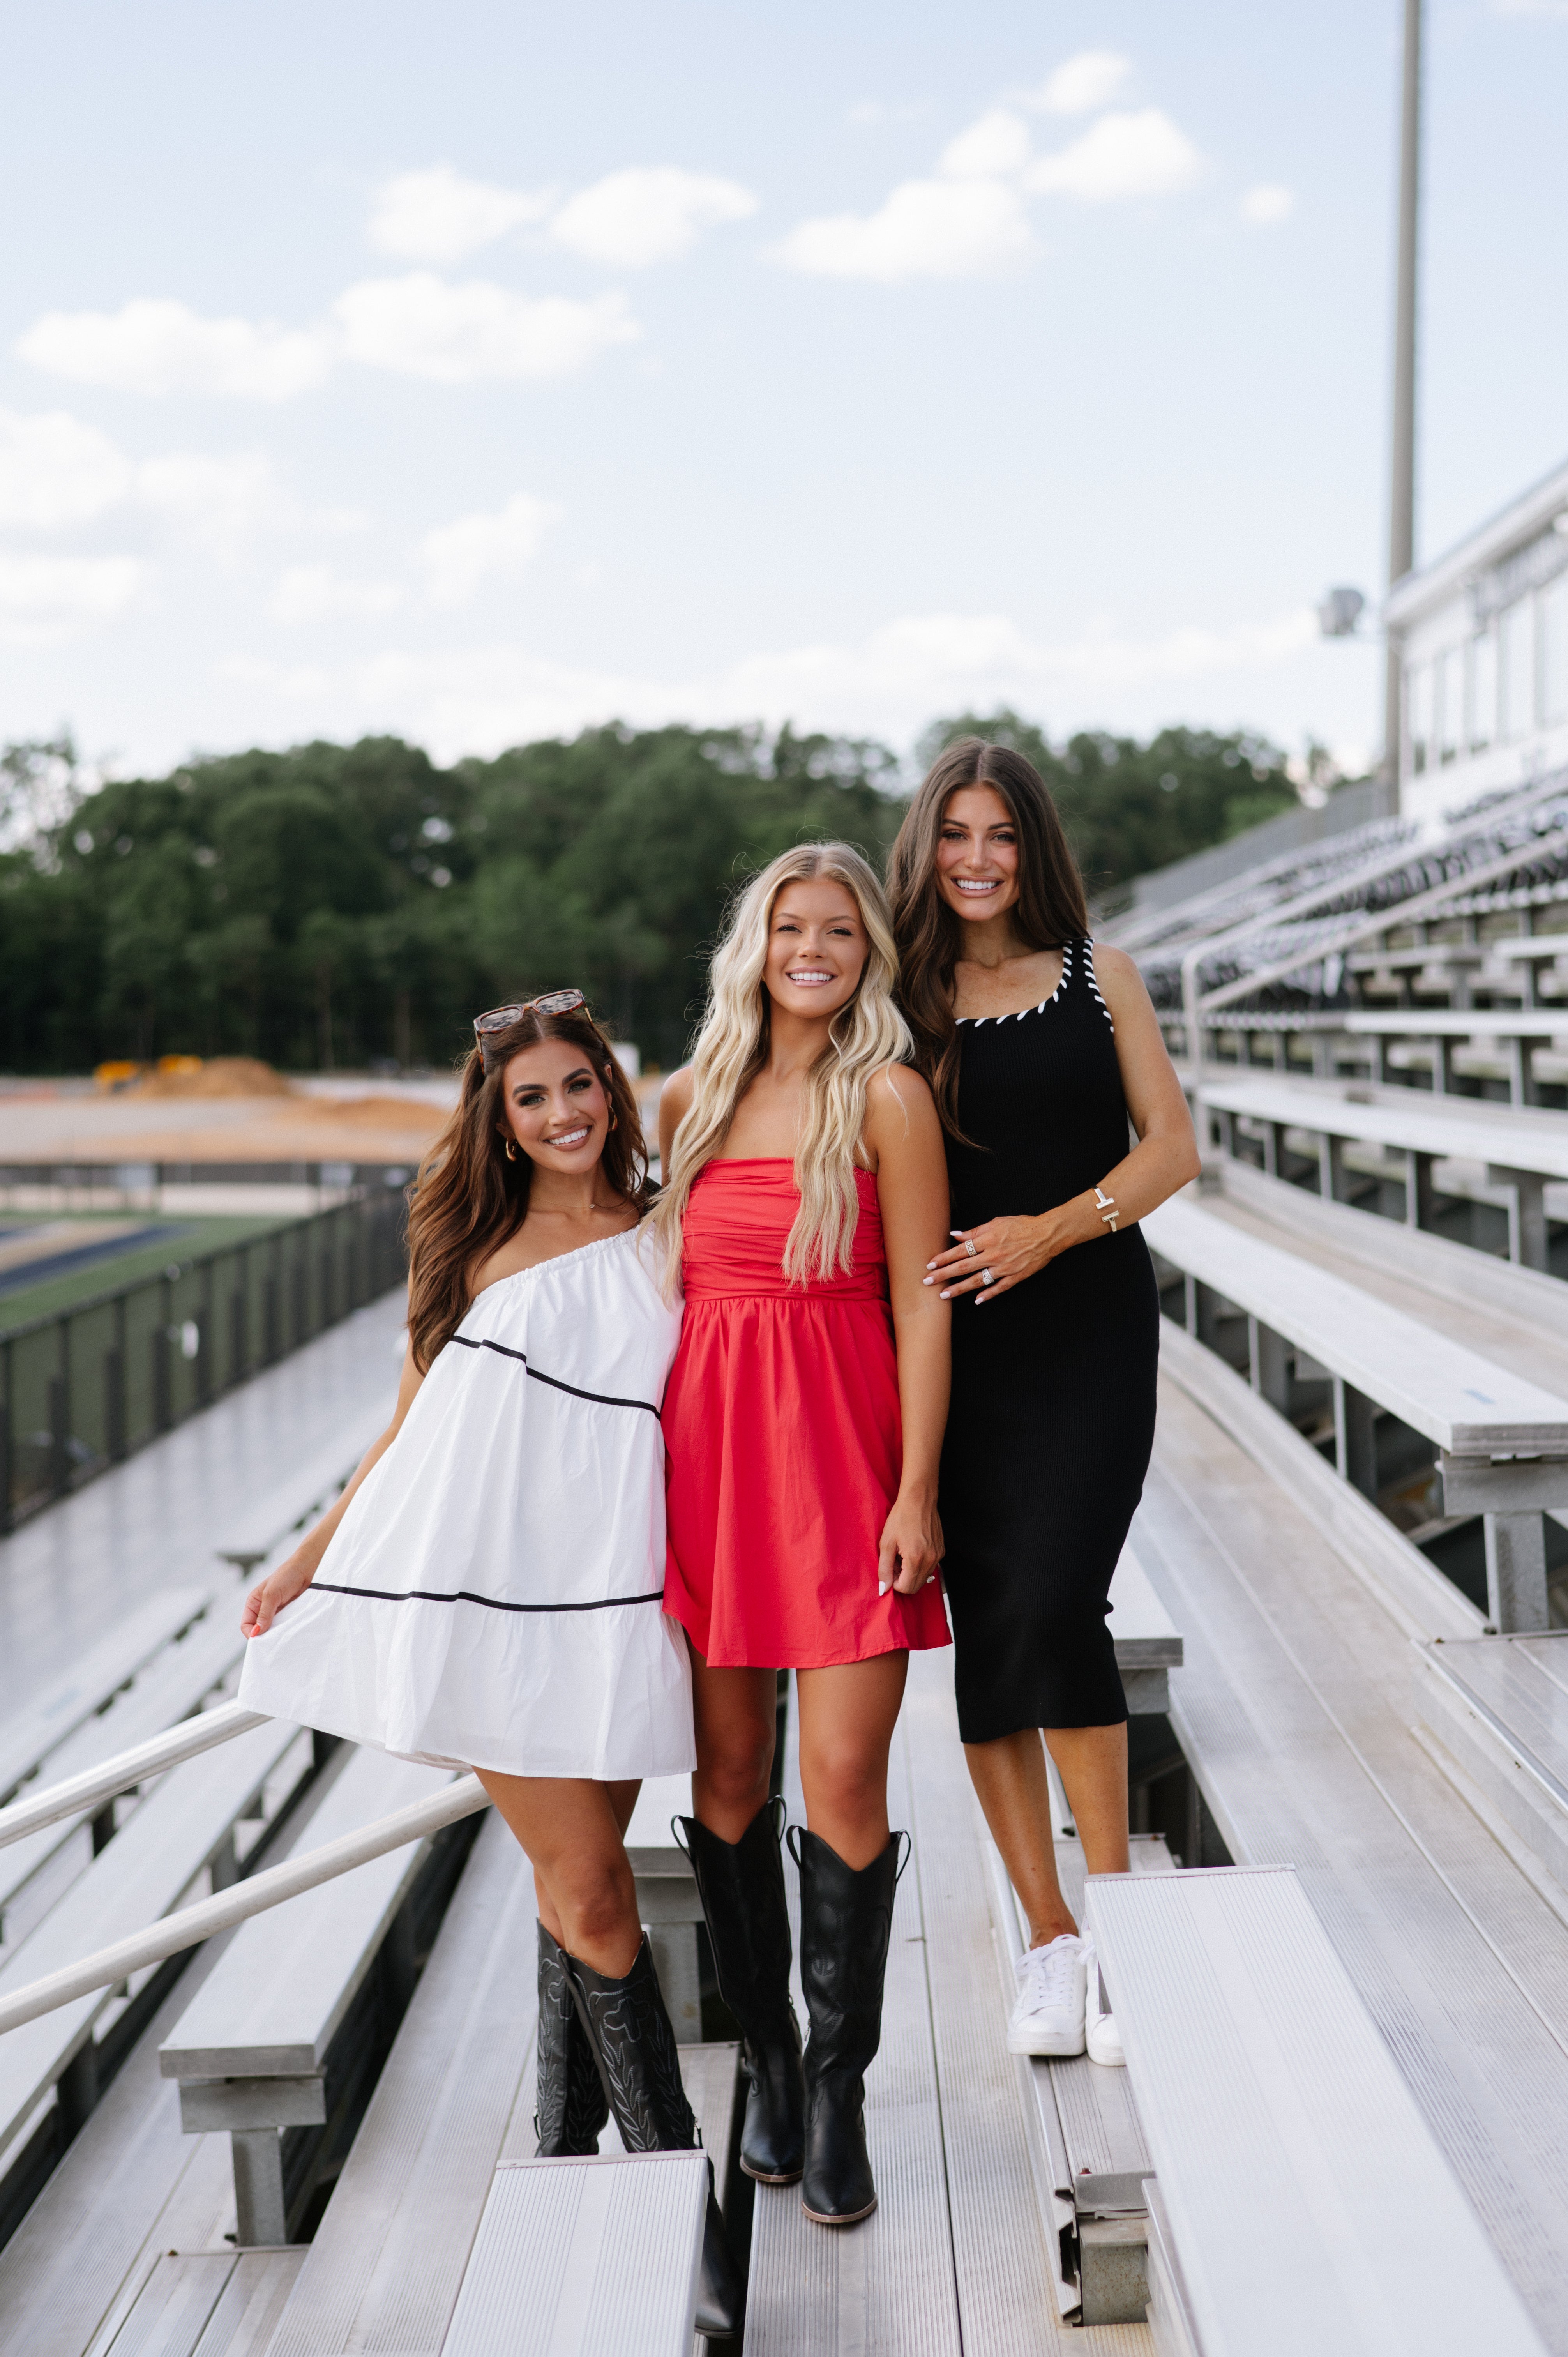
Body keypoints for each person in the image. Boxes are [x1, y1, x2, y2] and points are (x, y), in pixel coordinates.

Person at [236, 991, 742, 2339]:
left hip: (622, 1599)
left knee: (568, 1895)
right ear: (501, 1120)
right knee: (593, 1890)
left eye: (581, 1085)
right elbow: (402, 1430)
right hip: (489, 1603)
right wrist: (303, 1559)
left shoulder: (662, 1231)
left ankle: (565, 2161)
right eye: (535, 1097)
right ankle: (686, 2214)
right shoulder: (470, 1250)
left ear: (611, 1090)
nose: (565, 1111)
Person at [652, 843, 951, 2229]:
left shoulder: (887, 1096)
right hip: (708, 1478)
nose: (813, 949)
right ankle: (768, 2062)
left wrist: (917, 1492)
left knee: (841, 1782)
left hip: (843, 1477)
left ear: (868, 951)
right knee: (725, 1782)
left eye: (838, 930)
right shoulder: (691, 1099)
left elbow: (925, 1306)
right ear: (755, 945)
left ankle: (839, 2093)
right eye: (790, 927)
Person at [887, 740, 1199, 2067]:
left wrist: (1052, 1231)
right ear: (925, 845)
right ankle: (1049, 1937)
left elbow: (1173, 1149)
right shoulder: (898, 1003)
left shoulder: (1099, 977)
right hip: (956, 1350)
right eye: (955, 834)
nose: (976, 859)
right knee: (994, 1622)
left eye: (1001, 835)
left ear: (1035, 848)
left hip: (1086, 1330)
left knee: (1062, 1599)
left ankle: (1121, 1923)